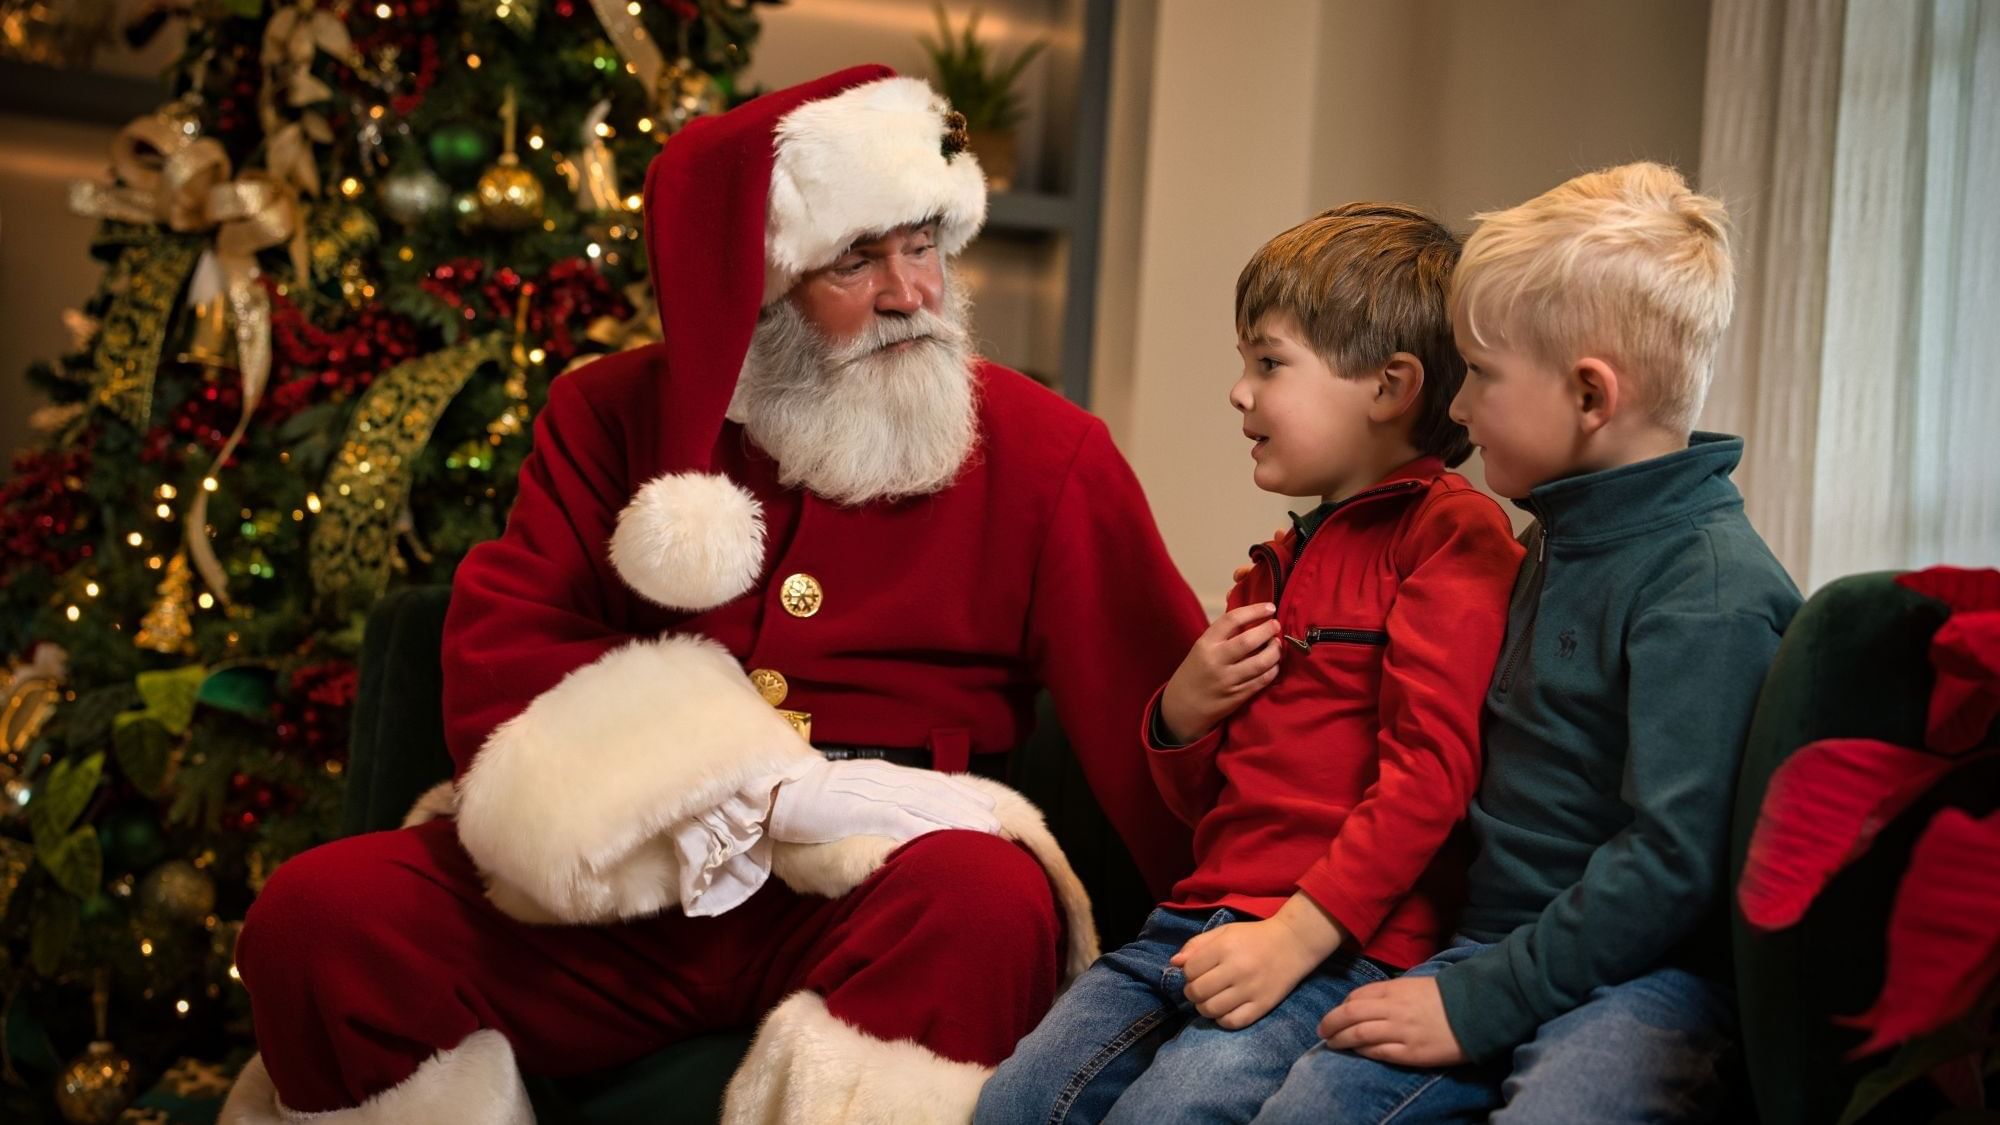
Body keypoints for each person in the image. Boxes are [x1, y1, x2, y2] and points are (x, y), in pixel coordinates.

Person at [221, 65, 1206, 1125]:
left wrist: (1278, 925)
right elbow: (502, 656)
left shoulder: (1044, 453)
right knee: (312, 918)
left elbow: (1167, 714)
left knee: (987, 903)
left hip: (880, 894)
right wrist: (750, 785)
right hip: (614, 889)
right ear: (761, 289)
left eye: (920, 244)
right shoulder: (605, 415)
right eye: (854, 261)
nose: (910, 293)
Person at [1257, 162, 1803, 1125]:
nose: (1457, 407)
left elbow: (1673, 866)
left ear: (1590, 397)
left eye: (1481, 374)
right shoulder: (1552, 534)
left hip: (1650, 979)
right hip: (1493, 948)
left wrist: (1478, 1003)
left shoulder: (1707, 592)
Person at [976, 203, 1522, 1124]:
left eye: (1268, 363)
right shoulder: (1275, 559)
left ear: (1389, 388)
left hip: (1341, 945)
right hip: (1193, 922)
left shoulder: (1447, 533)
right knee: (1016, 1102)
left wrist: (1294, 937)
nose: (1239, 391)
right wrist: (1181, 715)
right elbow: (1209, 806)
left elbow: (1433, 777)